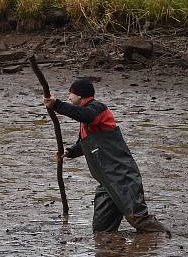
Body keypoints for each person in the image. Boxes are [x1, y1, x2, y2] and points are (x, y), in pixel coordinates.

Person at [43, 79, 170, 235]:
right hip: (106, 181)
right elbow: (84, 144)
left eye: (71, 93)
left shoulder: (96, 109)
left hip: (122, 176)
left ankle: (164, 238)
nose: (69, 96)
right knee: (102, 230)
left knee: (138, 218)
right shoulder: (86, 118)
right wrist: (68, 152)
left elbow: (84, 115)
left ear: (80, 95)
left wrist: (57, 105)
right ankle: (111, 255)